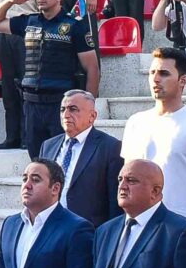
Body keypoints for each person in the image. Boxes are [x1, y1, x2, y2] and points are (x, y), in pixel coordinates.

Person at [118, 49, 186, 235]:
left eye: (164, 73)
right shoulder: (135, 122)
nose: (155, 79)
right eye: (152, 72)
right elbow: (127, 175)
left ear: (183, 80)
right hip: (141, 225)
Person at [0, 0, 99, 155]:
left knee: (60, 160)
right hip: (31, 103)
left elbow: (92, 68)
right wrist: (11, 1)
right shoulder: (29, 22)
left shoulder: (75, 25)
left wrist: (88, 106)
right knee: (36, 160)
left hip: (60, 103)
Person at [39, 89, 123, 229]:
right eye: (62, 109)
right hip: (49, 228)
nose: (66, 115)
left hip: (87, 231)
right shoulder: (48, 146)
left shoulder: (110, 147)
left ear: (92, 116)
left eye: (73, 109)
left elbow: (115, 202)